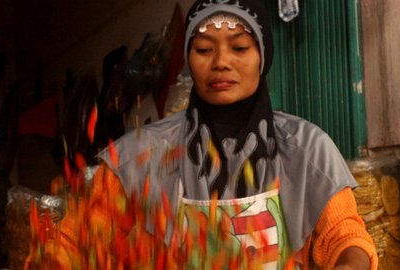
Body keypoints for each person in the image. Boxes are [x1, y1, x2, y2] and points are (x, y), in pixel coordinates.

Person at [50, 0, 378, 269]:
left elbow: (344, 235)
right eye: (204, 50)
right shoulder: (140, 156)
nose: (221, 62)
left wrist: (350, 264)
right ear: (189, 60)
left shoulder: (306, 147)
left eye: (239, 47)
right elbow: (72, 243)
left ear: (263, 57)